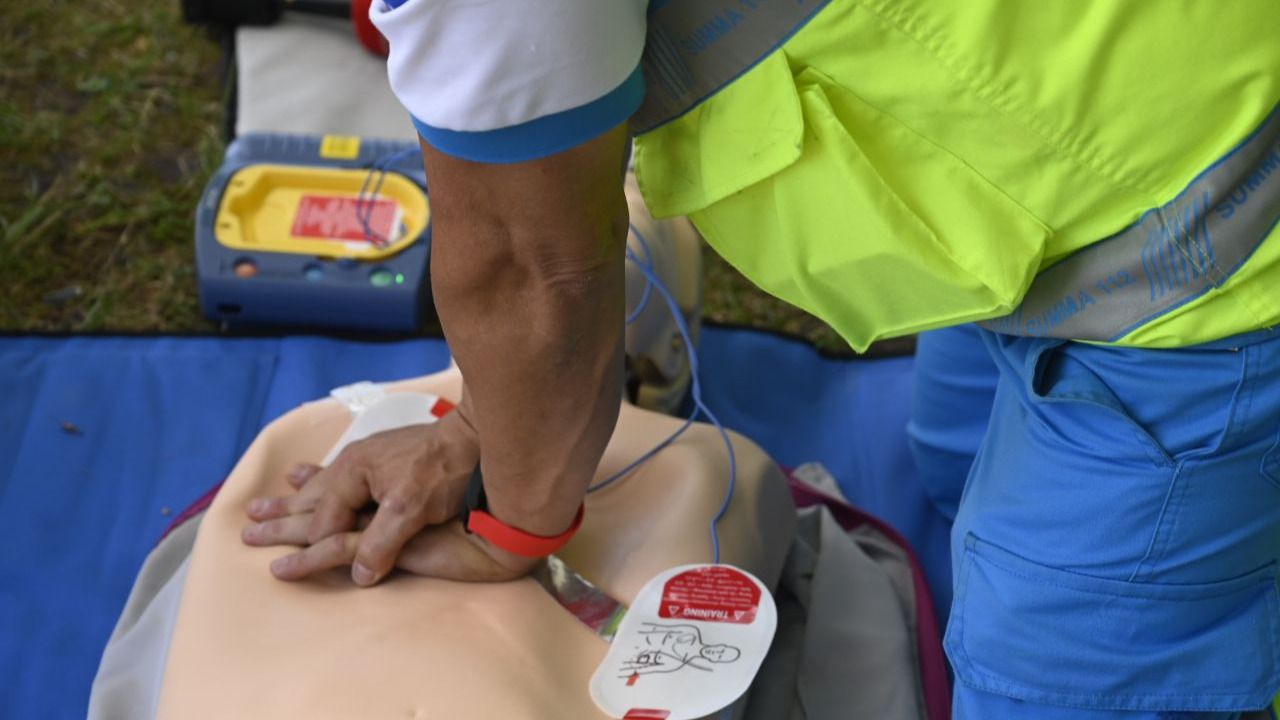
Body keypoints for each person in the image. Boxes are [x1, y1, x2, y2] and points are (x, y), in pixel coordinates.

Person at [241, 0, 1280, 717]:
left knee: (1054, 686)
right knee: (954, 467)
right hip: (1071, 170)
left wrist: (513, 521)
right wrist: (484, 424)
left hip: (1212, 249)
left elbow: (531, 268)